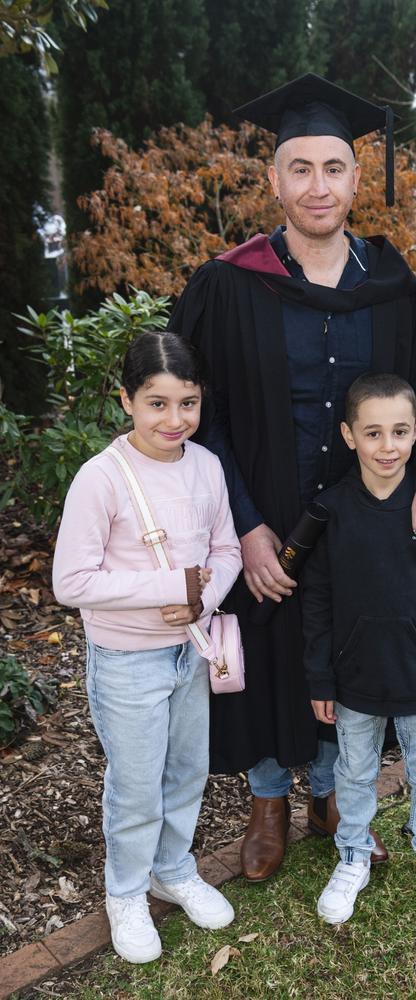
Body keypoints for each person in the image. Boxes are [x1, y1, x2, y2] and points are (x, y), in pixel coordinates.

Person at [169, 73, 416, 883]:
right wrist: (245, 526)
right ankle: (268, 802)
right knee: (261, 652)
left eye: (334, 168)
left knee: (351, 650)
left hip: (364, 523)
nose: (318, 186)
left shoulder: (393, 288)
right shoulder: (229, 283)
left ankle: (333, 794)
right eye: (300, 169)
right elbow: (202, 418)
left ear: (357, 179)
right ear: (274, 180)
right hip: (258, 514)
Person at [52, 332, 242, 963]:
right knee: (137, 784)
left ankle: (173, 868)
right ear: (126, 400)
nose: (174, 419)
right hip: (127, 658)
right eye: (157, 403)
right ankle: (126, 892)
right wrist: (167, 587)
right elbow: (71, 581)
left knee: (187, 769)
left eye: (187, 403)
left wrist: (203, 602)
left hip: (192, 648)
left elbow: (226, 551)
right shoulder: (101, 478)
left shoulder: (206, 466)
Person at [302, 373, 416, 925]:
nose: (388, 446)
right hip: (354, 676)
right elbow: (317, 603)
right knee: (353, 774)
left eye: (400, 432)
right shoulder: (330, 513)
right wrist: (319, 679)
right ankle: (352, 854)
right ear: (348, 435)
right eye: (373, 433)